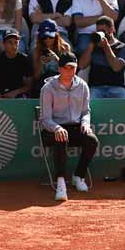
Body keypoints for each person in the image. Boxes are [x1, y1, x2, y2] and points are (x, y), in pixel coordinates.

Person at [39, 53, 97, 200]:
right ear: (60, 69)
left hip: (75, 128)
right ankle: (60, 182)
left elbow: (86, 111)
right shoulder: (48, 88)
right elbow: (45, 119)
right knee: (61, 138)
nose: (71, 71)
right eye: (68, 68)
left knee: (92, 140)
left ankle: (78, 176)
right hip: (51, 130)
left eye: (74, 68)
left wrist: (85, 123)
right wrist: (57, 128)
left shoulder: (83, 86)